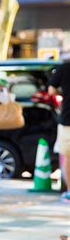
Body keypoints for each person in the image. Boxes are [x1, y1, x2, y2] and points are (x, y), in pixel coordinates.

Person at [48, 57, 70, 204]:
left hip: (67, 118)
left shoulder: (64, 67)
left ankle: (69, 190)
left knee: (67, 157)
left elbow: (51, 90)